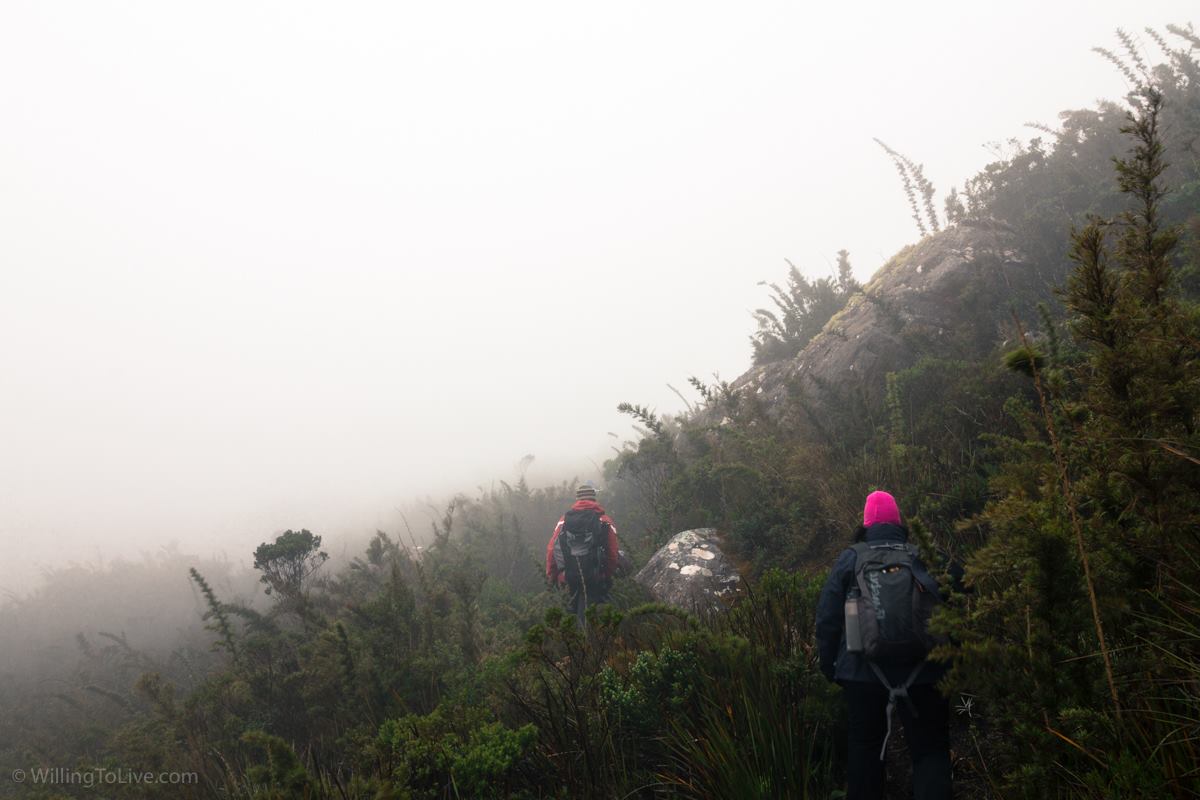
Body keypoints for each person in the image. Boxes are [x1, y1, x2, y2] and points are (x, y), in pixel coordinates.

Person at [815, 490, 954, 800]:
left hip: (862, 674)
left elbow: (827, 618)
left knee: (865, 749)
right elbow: (963, 585)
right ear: (899, 521)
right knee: (930, 749)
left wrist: (830, 667)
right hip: (927, 671)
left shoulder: (851, 557)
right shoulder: (923, 555)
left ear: (866, 523)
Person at [546, 484, 620, 624]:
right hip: (596, 576)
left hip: (568, 575)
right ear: (594, 498)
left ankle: (573, 638)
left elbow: (551, 549)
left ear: (577, 499)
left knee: (571, 615)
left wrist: (552, 575)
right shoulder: (605, 520)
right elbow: (612, 553)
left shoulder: (564, 520)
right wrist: (607, 575)